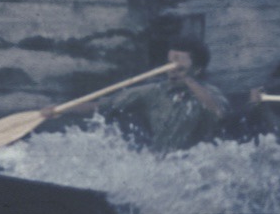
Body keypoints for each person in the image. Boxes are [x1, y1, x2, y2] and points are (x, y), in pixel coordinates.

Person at [44, 39, 229, 154]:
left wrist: (188, 80)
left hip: (199, 164)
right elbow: (103, 106)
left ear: (197, 69)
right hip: (162, 163)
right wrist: (61, 109)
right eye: (169, 63)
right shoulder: (153, 91)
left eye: (179, 65)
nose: (172, 70)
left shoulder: (210, 92)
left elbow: (217, 112)